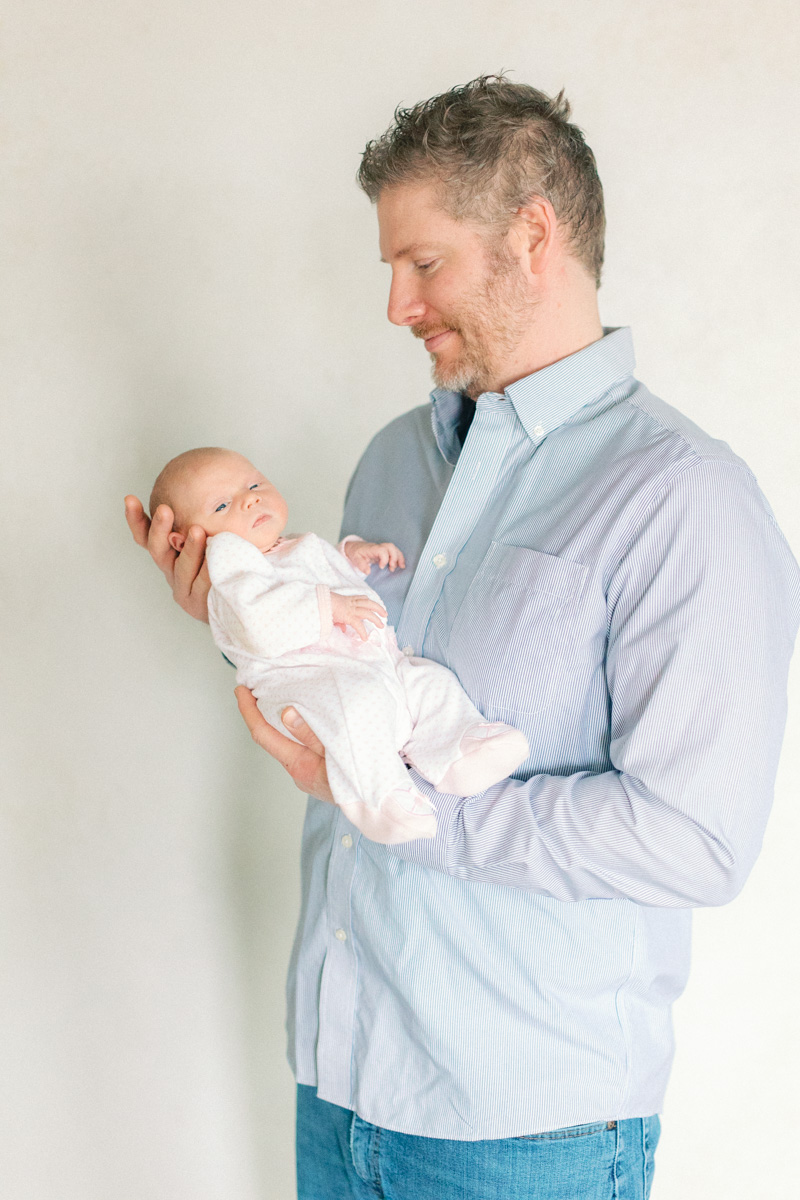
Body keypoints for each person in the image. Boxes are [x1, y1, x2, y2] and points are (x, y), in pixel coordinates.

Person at [125, 76, 800, 1200]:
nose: (395, 304)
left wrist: (406, 811)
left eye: (422, 263)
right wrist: (242, 618)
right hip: (336, 1091)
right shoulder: (388, 462)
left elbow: (693, 840)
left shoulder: (685, 500)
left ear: (531, 235)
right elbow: (343, 690)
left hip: (527, 1142)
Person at [147, 446, 528, 844]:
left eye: (254, 483)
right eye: (223, 505)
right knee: (359, 707)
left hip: (375, 666)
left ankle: (457, 751)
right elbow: (260, 621)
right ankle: (382, 801)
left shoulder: (289, 546)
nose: (251, 499)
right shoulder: (231, 566)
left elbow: (315, 571)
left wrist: (351, 557)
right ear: (185, 541)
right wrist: (331, 606)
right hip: (314, 685)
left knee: (429, 683)